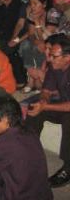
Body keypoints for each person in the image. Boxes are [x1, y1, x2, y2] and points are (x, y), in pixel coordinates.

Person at [25, 35, 70, 188]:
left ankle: (68, 168)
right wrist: (43, 101)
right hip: (63, 106)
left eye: (54, 56)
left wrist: (45, 106)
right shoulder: (54, 67)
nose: (50, 58)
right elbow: (46, 90)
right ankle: (27, 152)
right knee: (35, 108)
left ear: (67, 57)